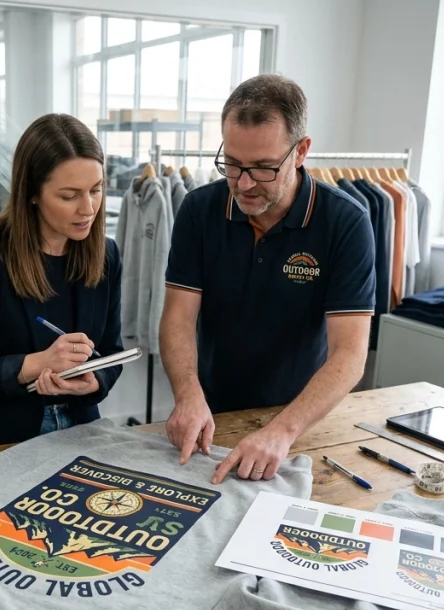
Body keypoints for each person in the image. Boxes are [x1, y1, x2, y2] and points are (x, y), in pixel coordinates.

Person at [160, 74, 375, 484]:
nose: (243, 184)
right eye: (232, 164)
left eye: (262, 168)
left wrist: (283, 431)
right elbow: (178, 317)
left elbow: (350, 354)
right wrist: (187, 394)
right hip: (210, 411)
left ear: (301, 152)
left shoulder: (346, 222)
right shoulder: (198, 210)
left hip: (301, 418)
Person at [0, 114, 123, 450]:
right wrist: (36, 364)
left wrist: (94, 381)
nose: (88, 208)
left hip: (80, 433)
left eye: (96, 190)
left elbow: (111, 352)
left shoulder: (106, 254)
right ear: (33, 193)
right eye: (69, 196)